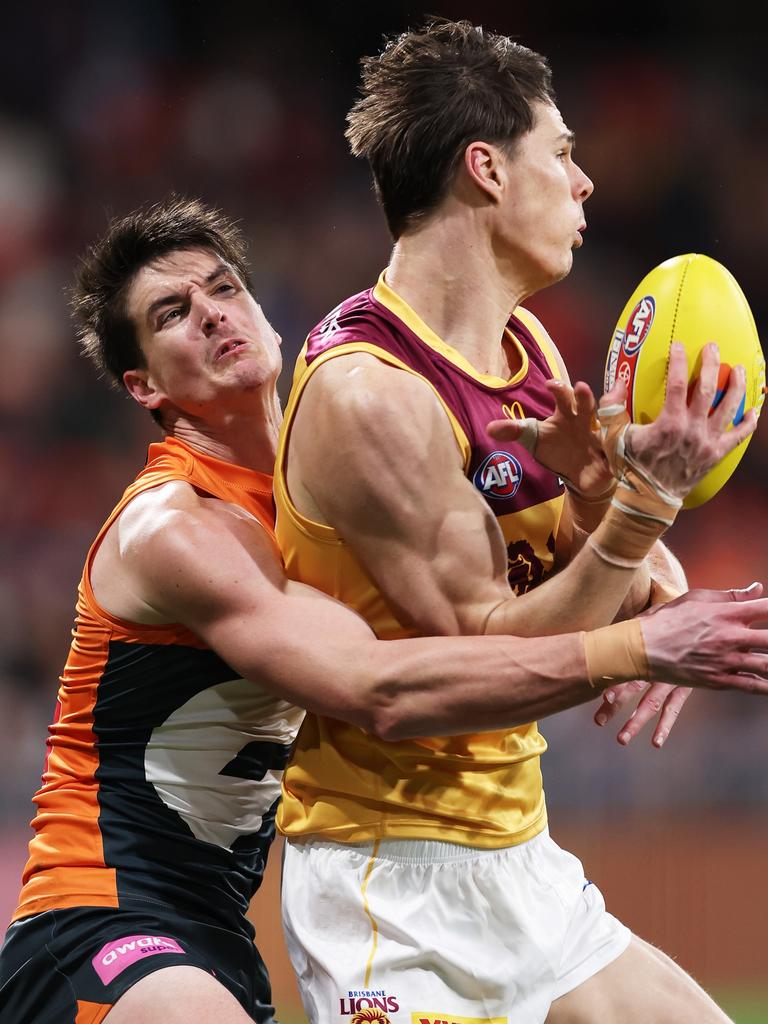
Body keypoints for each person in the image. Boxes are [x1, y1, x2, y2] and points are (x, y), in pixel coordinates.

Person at [4, 199, 762, 1024]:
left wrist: (608, 509)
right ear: (143, 385)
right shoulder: (178, 526)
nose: (214, 313)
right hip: (101, 918)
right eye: (173, 314)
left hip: (221, 932)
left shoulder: (336, 474)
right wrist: (636, 646)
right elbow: (377, 687)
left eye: (225, 288)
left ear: (265, 310)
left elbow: (532, 580)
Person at [274, 19, 763, 1024]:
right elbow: (488, 662)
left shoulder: (524, 344)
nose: (585, 184)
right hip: (394, 882)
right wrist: (642, 514)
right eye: (565, 153)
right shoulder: (371, 396)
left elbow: (637, 584)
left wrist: (607, 504)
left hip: (519, 853)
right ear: (486, 169)